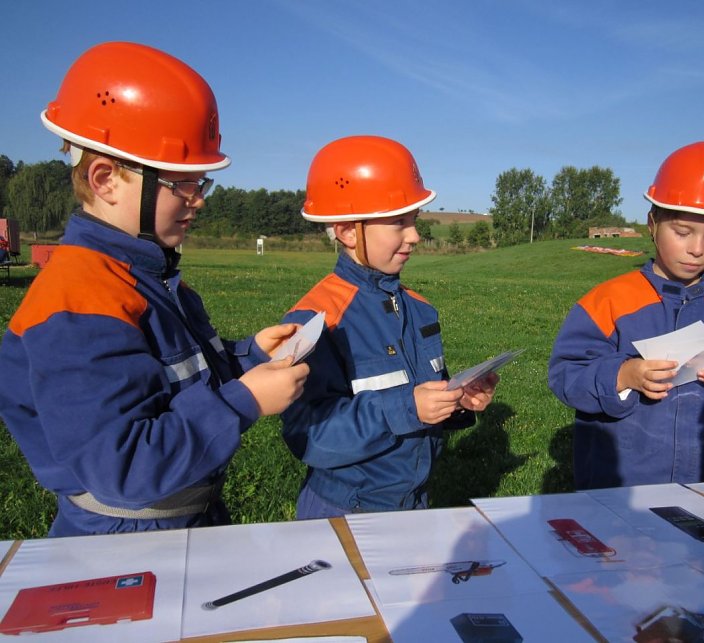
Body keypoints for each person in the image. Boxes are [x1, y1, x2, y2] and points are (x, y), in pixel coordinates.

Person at [0, 42, 309, 537]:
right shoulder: (80, 301)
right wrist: (242, 401)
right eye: (183, 184)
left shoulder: (148, 278)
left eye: (201, 184)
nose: (198, 201)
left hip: (179, 523)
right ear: (106, 180)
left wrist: (249, 358)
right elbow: (122, 467)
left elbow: (173, 383)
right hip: (124, 546)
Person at [548, 141, 704, 490]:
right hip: (618, 491)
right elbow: (566, 375)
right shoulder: (608, 301)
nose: (696, 249)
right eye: (682, 232)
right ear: (652, 224)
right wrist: (623, 375)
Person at [280, 135, 498, 518]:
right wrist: (407, 408)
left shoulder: (420, 310)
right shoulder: (316, 319)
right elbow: (309, 436)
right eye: (399, 223)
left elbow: (426, 399)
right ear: (348, 231)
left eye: (413, 221)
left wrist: (458, 401)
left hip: (415, 504)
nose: (414, 236)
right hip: (344, 510)